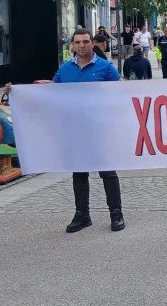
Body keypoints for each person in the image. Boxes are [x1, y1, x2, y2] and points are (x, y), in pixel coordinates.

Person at [7, 28, 125, 233]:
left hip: (99, 129)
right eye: (77, 42)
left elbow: (123, 91)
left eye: (85, 42)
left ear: (92, 44)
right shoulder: (65, 70)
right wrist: (16, 91)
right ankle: (82, 215)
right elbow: (51, 93)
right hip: (74, 130)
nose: (81, 46)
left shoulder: (105, 67)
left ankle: (116, 213)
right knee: (79, 173)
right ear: (72, 45)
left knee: (107, 172)